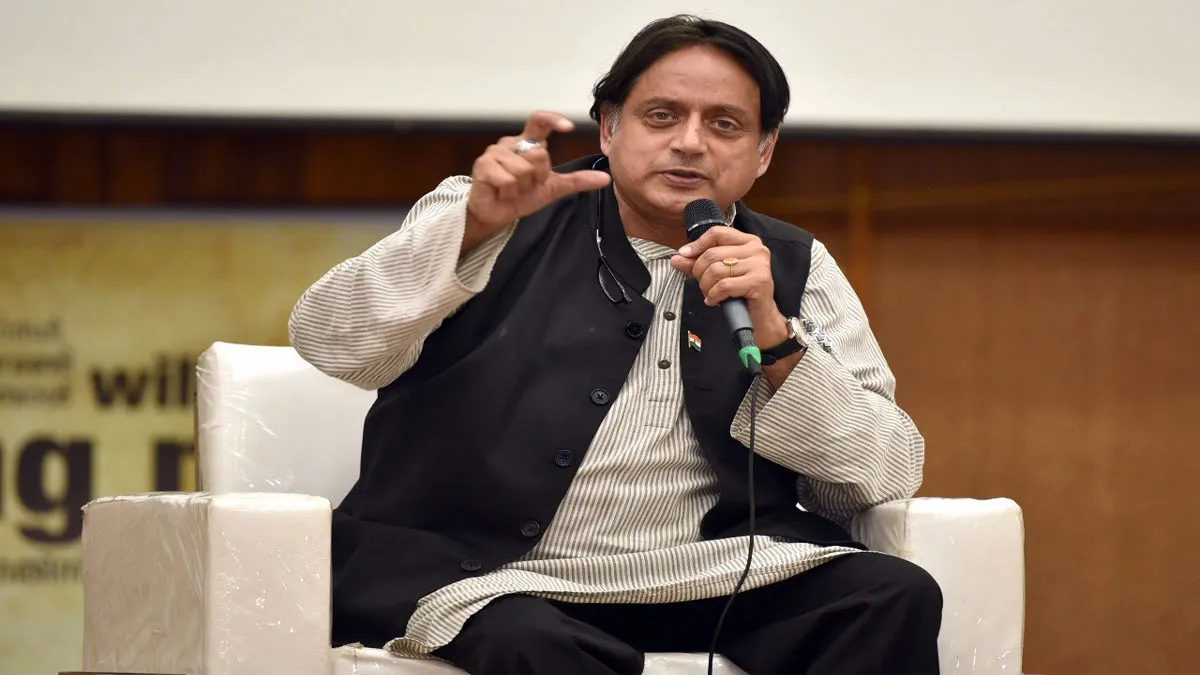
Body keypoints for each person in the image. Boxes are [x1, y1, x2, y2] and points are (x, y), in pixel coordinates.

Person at [289, 14, 941, 675]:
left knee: (891, 596)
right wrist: (472, 229)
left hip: (707, 571)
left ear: (764, 151)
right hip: (489, 577)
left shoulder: (793, 264)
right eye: (662, 115)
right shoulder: (491, 214)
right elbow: (329, 341)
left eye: (724, 124)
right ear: (609, 127)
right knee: (528, 641)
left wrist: (776, 336)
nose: (690, 143)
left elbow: (882, 475)